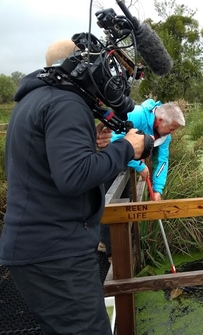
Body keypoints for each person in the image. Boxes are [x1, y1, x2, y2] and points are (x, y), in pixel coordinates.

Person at [0, 39, 147, 335]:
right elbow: (74, 177)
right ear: (86, 64)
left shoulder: (35, 99)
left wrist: (87, 143)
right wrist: (127, 149)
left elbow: (48, 165)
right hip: (56, 253)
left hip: (37, 248)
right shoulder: (66, 103)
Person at [99, 99, 185, 257]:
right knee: (109, 202)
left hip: (125, 165)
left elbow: (162, 161)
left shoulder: (165, 135)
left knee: (123, 200)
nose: (172, 133)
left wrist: (158, 189)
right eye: (171, 128)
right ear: (159, 120)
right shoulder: (136, 115)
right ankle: (112, 253)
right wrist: (139, 166)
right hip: (107, 162)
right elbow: (112, 143)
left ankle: (110, 245)